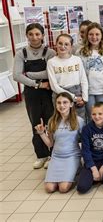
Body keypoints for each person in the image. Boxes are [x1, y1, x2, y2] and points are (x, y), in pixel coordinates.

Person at [13, 23, 56, 169]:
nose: (34, 37)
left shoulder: (50, 53)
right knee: (35, 123)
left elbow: (50, 72)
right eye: (31, 34)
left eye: (37, 34)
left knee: (51, 122)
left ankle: (52, 153)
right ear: (27, 36)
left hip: (49, 91)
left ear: (43, 35)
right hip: (32, 93)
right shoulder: (21, 53)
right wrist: (38, 84)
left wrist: (29, 75)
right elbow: (16, 75)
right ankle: (41, 155)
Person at [35, 92, 85, 193]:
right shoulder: (52, 121)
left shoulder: (79, 121)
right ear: (56, 105)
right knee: (49, 188)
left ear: (71, 104)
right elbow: (50, 144)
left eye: (65, 102)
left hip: (72, 156)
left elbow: (85, 142)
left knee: (63, 188)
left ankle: (76, 170)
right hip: (56, 157)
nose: (62, 105)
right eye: (59, 103)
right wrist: (41, 133)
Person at [78, 22, 103, 122]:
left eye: (97, 34)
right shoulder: (80, 52)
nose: (94, 37)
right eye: (91, 34)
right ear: (87, 36)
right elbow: (78, 75)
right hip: (88, 92)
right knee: (91, 117)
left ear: (102, 36)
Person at [77, 102, 103, 194]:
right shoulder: (86, 129)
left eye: (100, 114)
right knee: (81, 188)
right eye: (94, 114)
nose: (97, 117)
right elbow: (85, 150)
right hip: (93, 160)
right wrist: (93, 168)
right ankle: (96, 176)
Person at [47, 34, 88, 119]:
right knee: (61, 121)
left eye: (66, 44)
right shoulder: (51, 62)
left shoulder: (77, 59)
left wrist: (84, 98)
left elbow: (83, 80)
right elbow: (54, 86)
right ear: (56, 44)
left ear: (71, 47)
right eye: (60, 43)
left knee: (80, 120)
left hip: (77, 92)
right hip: (59, 93)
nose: (63, 46)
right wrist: (73, 98)